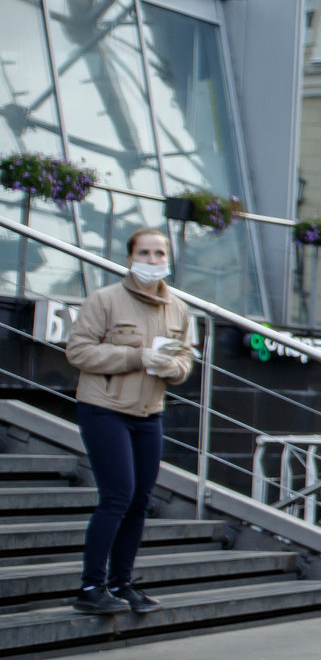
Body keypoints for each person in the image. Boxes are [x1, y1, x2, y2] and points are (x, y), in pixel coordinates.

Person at [63, 227, 195, 616]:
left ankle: (122, 584)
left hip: (149, 412)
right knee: (118, 496)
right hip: (104, 408)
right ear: (129, 258)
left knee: (140, 501)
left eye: (159, 254)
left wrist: (174, 368)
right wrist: (136, 357)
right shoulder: (104, 299)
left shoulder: (178, 307)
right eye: (145, 253)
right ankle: (91, 586)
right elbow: (78, 351)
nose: (153, 261)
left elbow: (185, 358)